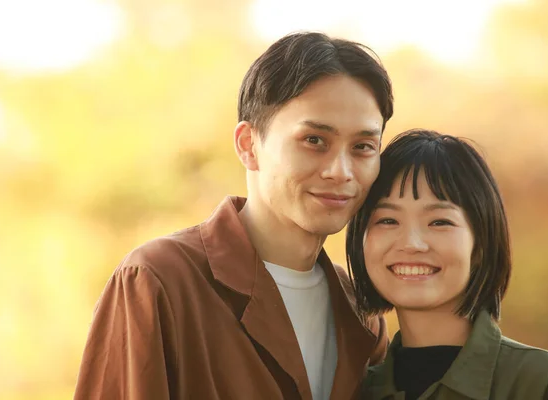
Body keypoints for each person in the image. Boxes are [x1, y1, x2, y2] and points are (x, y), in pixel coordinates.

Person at [74, 31, 394, 400]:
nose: (341, 171)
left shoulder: (359, 312)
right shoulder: (158, 281)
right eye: (314, 140)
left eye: (363, 147)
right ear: (248, 145)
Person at [346, 129, 548, 400]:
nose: (412, 243)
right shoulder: (352, 390)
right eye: (388, 220)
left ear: (481, 245)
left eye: (439, 222)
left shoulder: (544, 383)